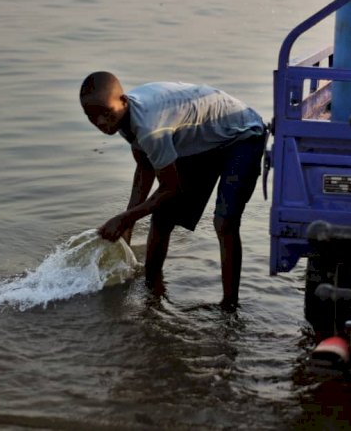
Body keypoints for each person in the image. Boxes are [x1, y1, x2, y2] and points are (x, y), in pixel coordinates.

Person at [79, 71, 266, 310]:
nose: (102, 123)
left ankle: (229, 306)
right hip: (202, 139)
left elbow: (170, 188)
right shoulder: (124, 119)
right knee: (163, 217)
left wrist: (125, 218)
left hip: (242, 134)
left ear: (123, 101)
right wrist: (128, 223)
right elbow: (145, 167)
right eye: (92, 117)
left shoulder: (149, 127)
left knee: (224, 222)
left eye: (106, 114)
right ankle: (152, 294)